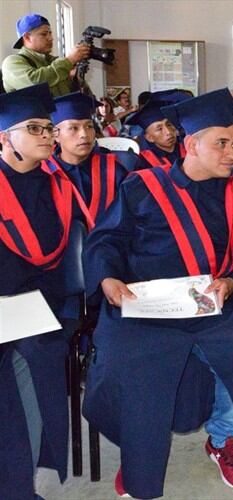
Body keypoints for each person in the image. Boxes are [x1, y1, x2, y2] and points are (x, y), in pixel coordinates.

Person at [82, 89, 233, 498]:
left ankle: (224, 438)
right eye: (221, 143)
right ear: (191, 145)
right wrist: (108, 279)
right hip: (145, 306)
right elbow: (106, 241)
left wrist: (232, 282)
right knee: (126, 363)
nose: (232, 154)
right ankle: (138, 453)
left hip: (208, 306)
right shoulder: (142, 186)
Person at [0, 83, 82, 500]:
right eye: (34, 128)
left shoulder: (59, 186)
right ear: (4, 138)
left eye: (49, 128)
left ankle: (18, 487)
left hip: (39, 308)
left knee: (32, 363)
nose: (47, 135)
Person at [48, 92, 129, 229]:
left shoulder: (112, 168)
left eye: (89, 126)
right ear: (55, 135)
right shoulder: (45, 172)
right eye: (73, 128)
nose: (84, 134)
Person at [2, 14, 90, 96]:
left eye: (50, 33)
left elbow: (84, 98)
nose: (51, 38)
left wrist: (76, 80)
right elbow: (35, 83)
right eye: (44, 34)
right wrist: (69, 61)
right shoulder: (12, 63)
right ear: (27, 37)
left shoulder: (57, 63)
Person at [125, 98, 185, 169]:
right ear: (150, 138)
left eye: (169, 124)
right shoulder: (143, 161)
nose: (168, 132)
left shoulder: (187, 146)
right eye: (159, 129)